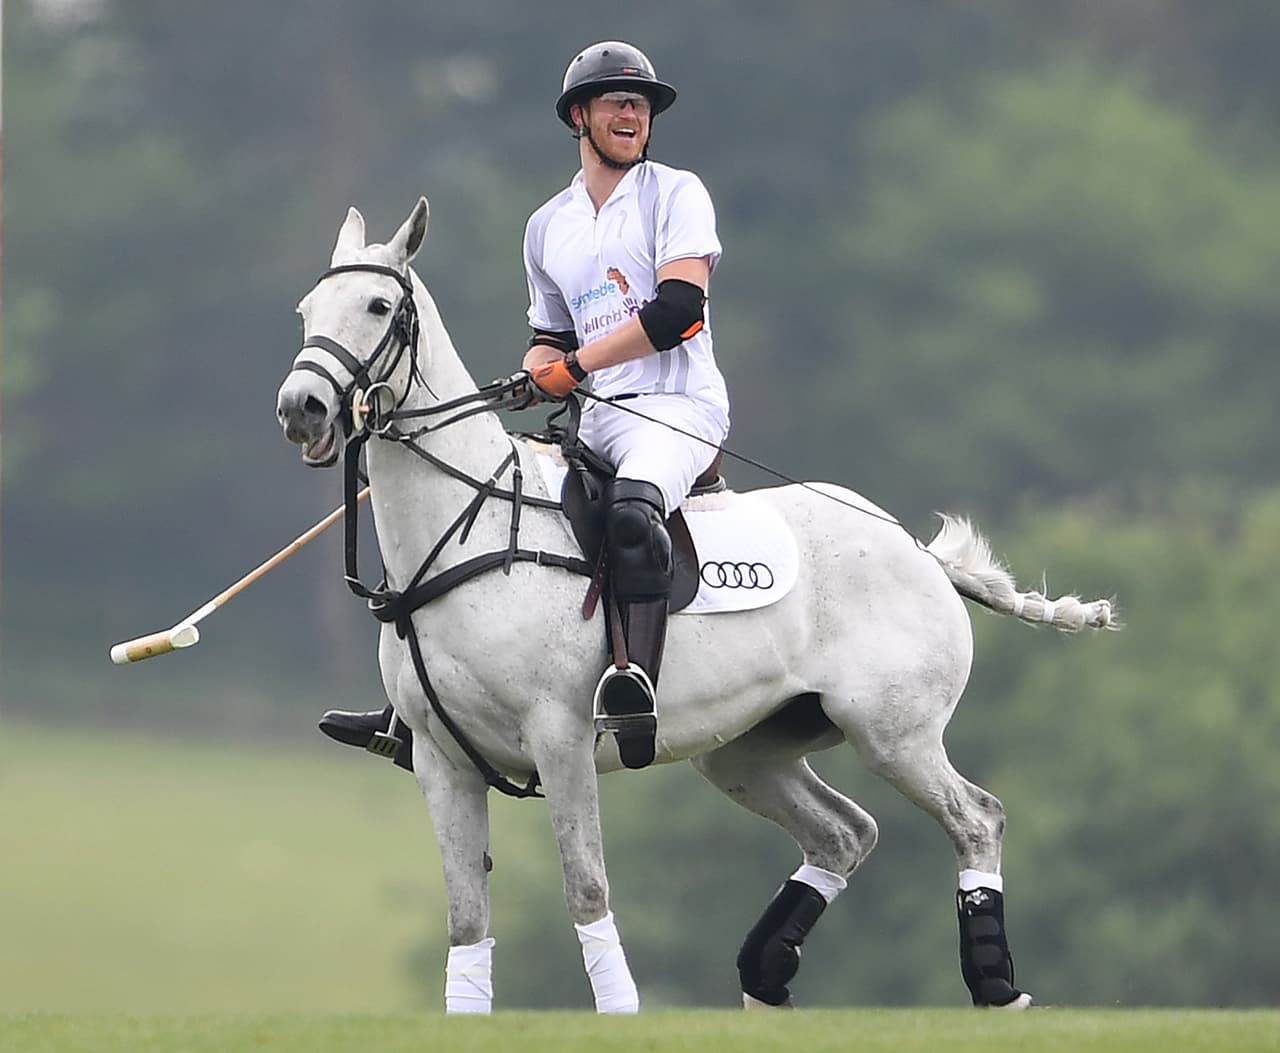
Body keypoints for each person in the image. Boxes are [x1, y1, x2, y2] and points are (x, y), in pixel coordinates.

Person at [319, 40, 729, 770]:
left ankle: (632, 683)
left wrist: (571, 367)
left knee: (632, 511)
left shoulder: (677, 193)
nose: (633, 112)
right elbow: (551, 335)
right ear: (580, 116)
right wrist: (536, 371)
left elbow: (678, 311)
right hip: (595, 418)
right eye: (616, 102)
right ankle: (414, 706)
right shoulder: (547, 226)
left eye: (641, 103)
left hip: (676, 408)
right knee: (466, 509)